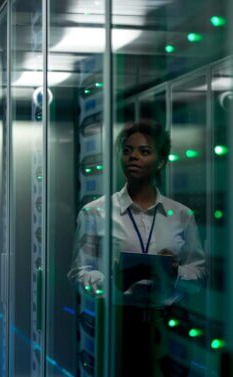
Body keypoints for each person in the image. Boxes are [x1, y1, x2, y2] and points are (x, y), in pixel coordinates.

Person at [68, 119, 205, 376]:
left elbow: (200, 275)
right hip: (119, 323)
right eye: (128, 150)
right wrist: (111, 280)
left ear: (161, 161)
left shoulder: (181, 215)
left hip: (168, 325)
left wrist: (176, 273)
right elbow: (78, 272)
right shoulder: (95, 213)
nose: (133, 157)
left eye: (144, 151)